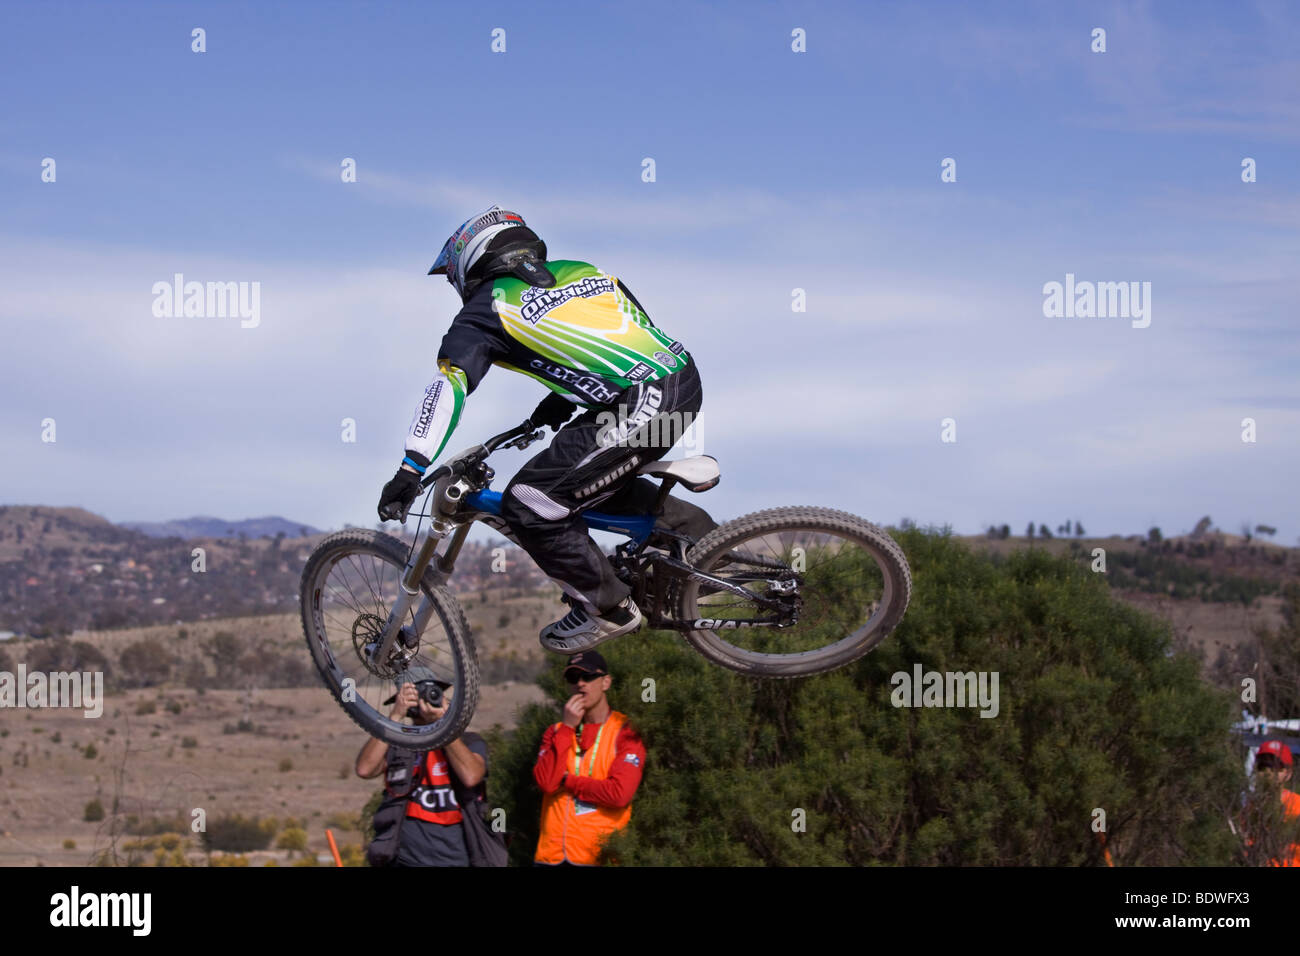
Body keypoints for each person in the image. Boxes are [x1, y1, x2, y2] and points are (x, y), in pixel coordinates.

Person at [377, 206, 715, 654]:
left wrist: (410, 467)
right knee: (581, 481)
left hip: (641, 402)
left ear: (469, 262)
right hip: (681, 382)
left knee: (530, 503)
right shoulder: (583, 271)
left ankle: (607, 608)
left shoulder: (485, 310)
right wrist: (560, 400)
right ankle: (708, 548)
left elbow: (448, 388)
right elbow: (629, 333)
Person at [355, 671, 489, 867]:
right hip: (405, 858)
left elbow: (471, 776)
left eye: (433, 693)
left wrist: (442, 724)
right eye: (418, 695)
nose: (427, 699)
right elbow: (365, 769)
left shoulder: (469, 742)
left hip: (456, 857)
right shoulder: (398, 743)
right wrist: (394, 717)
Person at [532, 651, 645, 866]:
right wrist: (567, 728)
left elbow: (619, 794)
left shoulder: (626, 731)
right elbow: (546, 783)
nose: (581, 684)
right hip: (550, 857)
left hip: (598, 857)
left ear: (606, 682)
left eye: (588, 677)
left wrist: (567, 781)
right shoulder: (556, 731)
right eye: (573, 678)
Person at [1243, 739, 1300, 867]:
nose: (1268, 772)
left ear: (1288, 773)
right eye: (1263, 766)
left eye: (1276, 767)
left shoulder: (1298, 807)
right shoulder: (1250, 808)